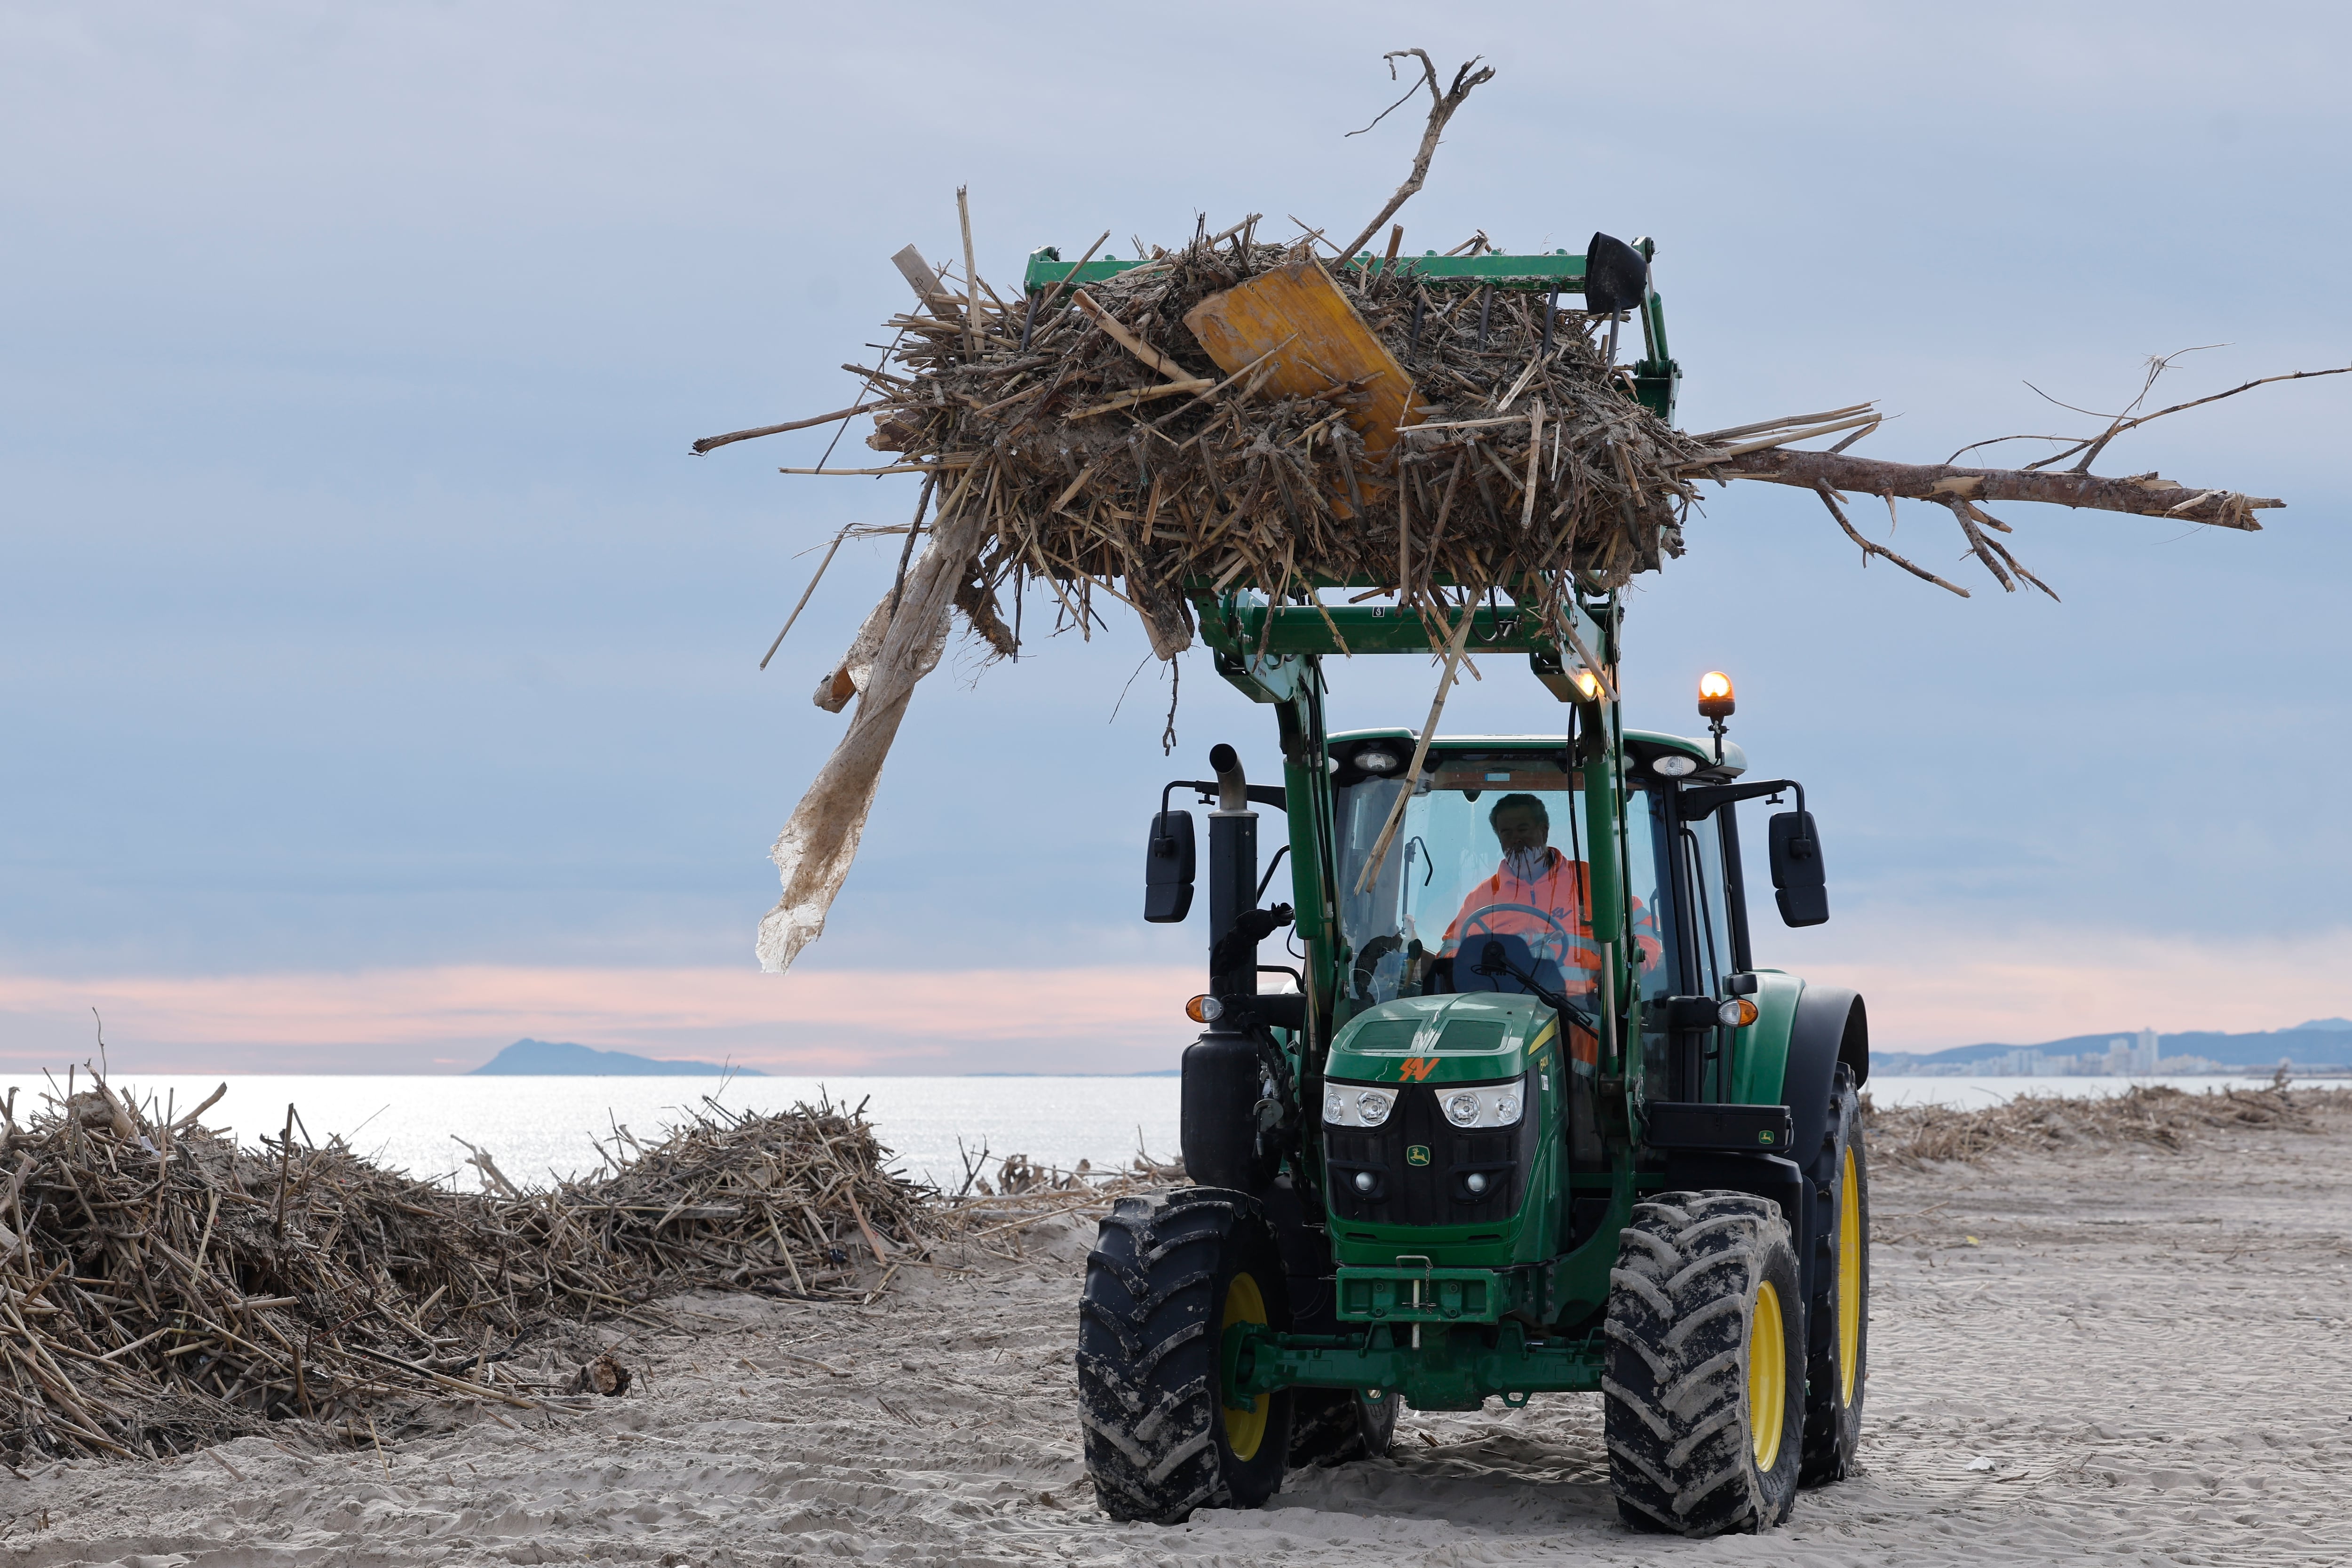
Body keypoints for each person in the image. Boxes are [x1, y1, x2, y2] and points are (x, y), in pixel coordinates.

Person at [1435, 794, 1661, 1024]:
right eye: (1507, 833)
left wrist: (1624, 970)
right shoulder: (1483, 897)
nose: (1516, 839)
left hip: (1584, 1014)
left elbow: (1643, 926)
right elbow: (1451, 949)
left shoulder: (1591, 881)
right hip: (1504, 1014)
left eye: (1523, 830)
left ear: (1543, 831)